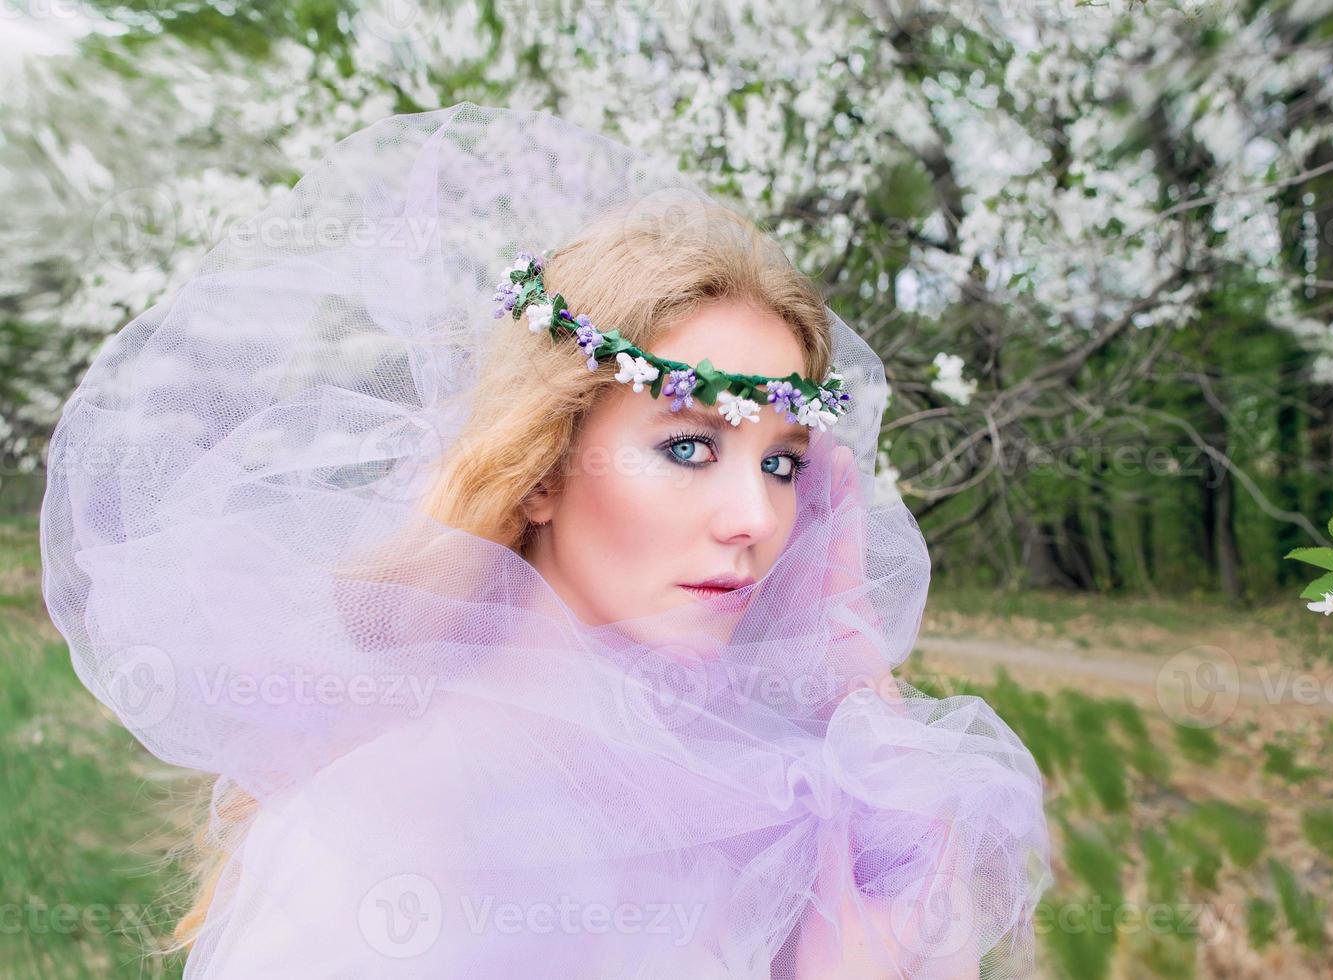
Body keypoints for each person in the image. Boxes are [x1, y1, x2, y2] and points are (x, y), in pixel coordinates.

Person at [39, 104, 1052, 978]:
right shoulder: (393, 829)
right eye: (690, 444)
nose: (754, 517)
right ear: (543, 469)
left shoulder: (765, 796)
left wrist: (857, 674)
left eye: (783, 462)